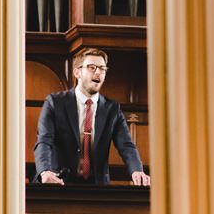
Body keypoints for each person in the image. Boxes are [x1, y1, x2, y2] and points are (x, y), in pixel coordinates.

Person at [33, 49, 150, 186]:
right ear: (77, 73)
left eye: (102, 69)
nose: (98, 72)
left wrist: (137, 170)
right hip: (59, 183)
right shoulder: (55, 102)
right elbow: (44, 141)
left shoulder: (112, 109)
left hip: (97, 187)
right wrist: (45, 171)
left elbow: (126, 145)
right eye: (92, 68)